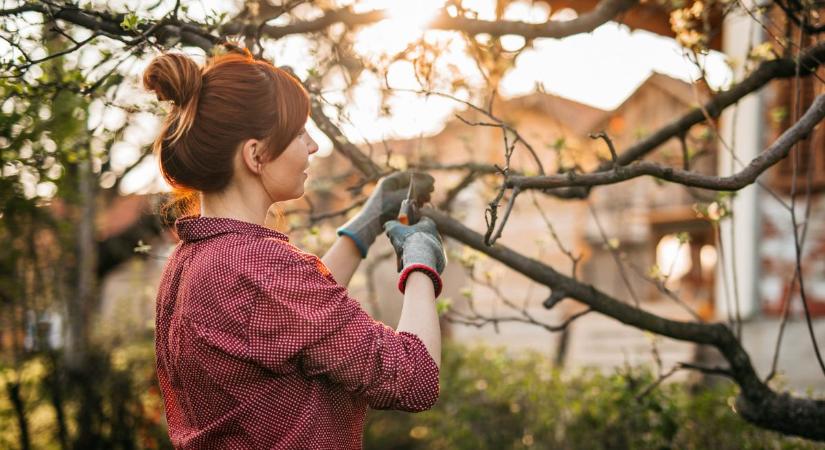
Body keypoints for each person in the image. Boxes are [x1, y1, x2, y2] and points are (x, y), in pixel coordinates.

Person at [145, 45, 447, 449]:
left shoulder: (193, 260)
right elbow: (413, 378)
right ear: (256, 154)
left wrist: (365, 226)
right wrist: (421, 264)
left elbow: (292, 324)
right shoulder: (258, 267)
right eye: (299, 133)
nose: (313, 146)